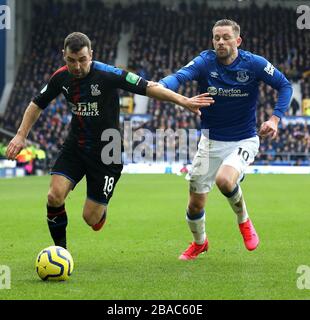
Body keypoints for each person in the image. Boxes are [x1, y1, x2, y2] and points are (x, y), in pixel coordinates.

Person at [6, 32, 214, 249]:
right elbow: (36, 104)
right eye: (71, 60)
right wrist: (21, 135)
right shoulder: (61, 77)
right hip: (75, 145)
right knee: (54, 196)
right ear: (64, 56)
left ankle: (100, 211)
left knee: (91, 219)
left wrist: (184, 101)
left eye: (82, 60)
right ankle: (61, 252)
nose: (76, 66)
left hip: (108, 149)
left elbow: (148, 87)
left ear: (91, 55)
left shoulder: (107, 74)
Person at [159, 19, 293, 260]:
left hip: (244, 139)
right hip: (210, 142)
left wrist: (274, 119)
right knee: (195, 205)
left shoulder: (254, 64)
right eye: (216, 38)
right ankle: (200, 243)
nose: (220, 42)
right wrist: (159, 86)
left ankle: (244, 221)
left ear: (237, 40)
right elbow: (179, 77)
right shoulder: (204, 62)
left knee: (224, 179)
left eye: (226, 37)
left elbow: (285, 85)